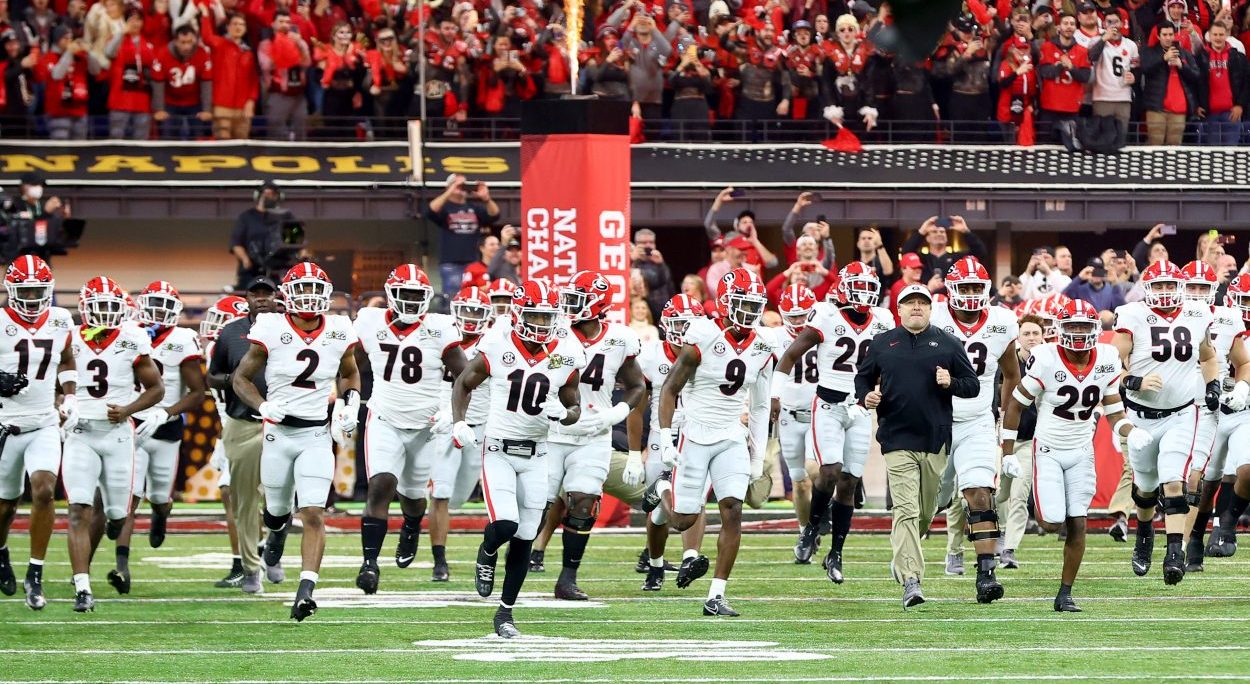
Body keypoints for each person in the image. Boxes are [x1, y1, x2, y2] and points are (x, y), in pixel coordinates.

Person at [451, 280, 586, 638]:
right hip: (498, 448)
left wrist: (565, 413)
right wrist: (459, 421)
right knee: (507, 525)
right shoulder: (497, 342)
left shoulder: (567, 352)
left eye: (547, 317)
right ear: (518, 314)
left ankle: (505, 613)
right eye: (535, 316)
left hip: (538, 453)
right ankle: (487, 549)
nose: (541, 325)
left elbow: (575, 406)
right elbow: (464, 382)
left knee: (527, 536)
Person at [232, 262, 361, 621]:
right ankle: (275, 533)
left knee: (314, 512)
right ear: (286, 296)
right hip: (278, 432)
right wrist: (262, 404)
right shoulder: (271, 327)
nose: (307, 298)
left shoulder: (338, 329)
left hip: (316, 434)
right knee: (276, 511)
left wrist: (351, 402)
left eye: (313, 290)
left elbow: (350, 373)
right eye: (300, 290)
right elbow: (240, 378)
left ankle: (305, 591)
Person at [642, 268, 774, 617]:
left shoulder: (762, 345)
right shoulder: (703, 332)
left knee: (732, 510)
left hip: (731, 435)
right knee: (682, 521)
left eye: (753, 306)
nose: (748, 313)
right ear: (726, 303)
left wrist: (757, 456)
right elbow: (670, 388)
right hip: (695, 433)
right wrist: (667, 439)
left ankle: (716, 595)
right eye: (741, 305)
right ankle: (661, 488)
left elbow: (760, 407)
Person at [1004, 299, 1150, 612]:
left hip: (1081, 449)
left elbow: (1113, 410)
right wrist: (1007, 452)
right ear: (1061, 329)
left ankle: (1065, 592)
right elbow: (1016, 404)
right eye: (1073, 326)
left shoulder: (1108, 357)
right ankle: (1040, 508)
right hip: (1048, 449)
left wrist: (1130, 430)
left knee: (1078, 522)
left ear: (1096, 329)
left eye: (1085, 326)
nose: (1080, 333)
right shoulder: (1046, 357)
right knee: (1053, 522)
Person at [855, 283, 979, 608]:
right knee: (906, 510)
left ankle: (903, 550)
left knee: (925, 512)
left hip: (935, 439)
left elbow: (973, 386)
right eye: (909, 302)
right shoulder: (882, 343)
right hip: (896, 438)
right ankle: (912, 579)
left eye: (921, 303)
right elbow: (862, 378)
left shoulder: (948, 343)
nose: (916, 308)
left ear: (930, 308)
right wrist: (865, 396)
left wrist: (950, 382)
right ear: (899, 309)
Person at [775, 263, 894, 582]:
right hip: (827, 404)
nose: (865, 294)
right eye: (858, 286)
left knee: (850, 482)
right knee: (829, 470)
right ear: (844, 287)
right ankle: (811, 528)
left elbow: (887, 365)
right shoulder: (826, 314)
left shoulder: (882, 320)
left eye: (870, 287)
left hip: (858, 408)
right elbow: (789, 355)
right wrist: (776, 394)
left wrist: (881, 392)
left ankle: (836, 552)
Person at [531, 271, 645, 601]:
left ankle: (567, 577)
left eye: (577, 299)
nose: (569, 305)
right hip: (551, 430)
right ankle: (517, 560)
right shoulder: (553, 330)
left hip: (594, 433)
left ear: (598, 304)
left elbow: (638, 385)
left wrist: (619, 412)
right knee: (537, 503)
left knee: (583, 501)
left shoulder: (620, 339)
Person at [351, 265, 465, 594]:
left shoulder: (439, 327)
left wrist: (452, 413)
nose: (413, 301)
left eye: (419, 295)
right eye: (407, 294)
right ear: (391, 295)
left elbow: (465, 375)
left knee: (414, 498)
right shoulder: (370, 322)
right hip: (384, 416)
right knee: (380, 484)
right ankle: (369, 563)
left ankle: (412, 525)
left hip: (426, 424)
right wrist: (348, 400)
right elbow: (350, 364)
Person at [1111, 260, 1219, 585]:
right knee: (1144, 488)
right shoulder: (1131, 315)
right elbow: (1113, 366)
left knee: (1174, 481)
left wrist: (1212, 384)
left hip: (1182, 414)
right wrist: (1135, 382)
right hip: (1141, 417)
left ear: (1180, 286)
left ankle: (1175, 554)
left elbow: (1208, 355)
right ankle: (1145, 531)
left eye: (1169, 285)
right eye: (1157, 285)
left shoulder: (1197, 313)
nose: (1164, 291)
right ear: (1147, 288)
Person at [64, 276, 164, 612]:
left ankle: (115, 525)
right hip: (80, 432)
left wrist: (128, 410)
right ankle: (82, 588)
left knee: (116, 515)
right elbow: (49, 383)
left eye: (111, 306)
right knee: (79, 509)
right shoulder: (69, 338)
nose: (106, 313)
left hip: (118, 434)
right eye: (99, 306)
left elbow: (156, 389)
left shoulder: (132, 338)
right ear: (84, 308)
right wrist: (63, 407)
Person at [932, 257, 1021, 603]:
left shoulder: (1002, 321)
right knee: (930, 502)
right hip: (934, 419)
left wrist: (1002, 417)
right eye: (964, 287)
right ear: (951, 290)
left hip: (976, 419)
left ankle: (986, 573)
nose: (970, 294)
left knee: (980, 493)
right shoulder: (934, 315)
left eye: (975, 287)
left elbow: (1012, 375)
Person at [0, 256, 75, 610]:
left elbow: (68, 359)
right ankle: (1, 553)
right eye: (25, 290)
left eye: (37, 290)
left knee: (44, 490)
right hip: (5, 424)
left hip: (44, 421)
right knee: (5, 504)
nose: (31, 297)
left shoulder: (60, 319)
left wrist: (71, 395)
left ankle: (35, 572)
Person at [114, 281, 203, 570]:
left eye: (165, 307)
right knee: (132, 494)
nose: (158, 313)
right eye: (153, 305)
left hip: (167, 427)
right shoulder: (128, 334)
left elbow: (198, 393)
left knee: (160, 497)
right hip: (133, 423)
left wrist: (166, 413)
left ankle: (161, 515)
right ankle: (122, 562)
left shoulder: (182, 339)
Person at [207, 276, 278, 594]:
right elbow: (212, 376)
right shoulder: (231, 332)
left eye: (267, 293)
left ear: (277, 297)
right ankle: (251, 568)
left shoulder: (290, 329)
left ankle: (273, 551)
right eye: (256, 293)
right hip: (243, 422)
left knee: (283, 495)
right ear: (247, 298)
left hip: (285, 424)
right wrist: (235, 380)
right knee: (244, 500)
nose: (261, 298)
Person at [636, 293, 710, 591]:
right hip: (661, 435)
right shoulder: (651, 354)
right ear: (667, 325)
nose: (684, 330)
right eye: (679, 324)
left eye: (689, 324)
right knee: (659, 513)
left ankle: (690, 557)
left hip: (695, 433)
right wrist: (633, 450)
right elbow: (638, 402)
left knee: (696, 500)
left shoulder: (710, 351)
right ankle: (655, 565)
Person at [428, 286, 492, 582]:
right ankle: (439, 560)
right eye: (465, 310)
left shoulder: (494, 342)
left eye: (476, 312)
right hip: (446, 421)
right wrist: (444, 413)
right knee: (440, 491)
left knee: (460, 496)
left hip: (480, 426)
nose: (469, 318)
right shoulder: (440, 335)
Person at [1181, 261, 1239, 571]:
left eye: (1204, 288)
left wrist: (1232, 387)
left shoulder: (1228, 317)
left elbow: (1239, 362)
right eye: (1192, 287)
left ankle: (1191, 541)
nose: (1197, 294)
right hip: (1174, 403)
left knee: (1206, 476)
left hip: (1214, 405)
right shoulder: (1166, 319)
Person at [763, 284, 820, 564]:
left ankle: (822, 515)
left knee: (818, 470)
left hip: (821, 413)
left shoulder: (825, 331)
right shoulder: (774, 337)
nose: (798, 322)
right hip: (788, 414)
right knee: (799, 482)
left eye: (802, 316)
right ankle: (805, 532)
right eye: (792, 316)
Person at [199, 294, 250, 587]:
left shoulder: (248, 351)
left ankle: (255, 559)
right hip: (229, 428)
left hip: (248, 427)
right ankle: (244, 561)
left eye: (222, 321)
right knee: (232, 496)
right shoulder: (216, 351)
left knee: (243, 497)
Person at [995, 313, 1045, 570]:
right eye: (1026, 333)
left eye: (1036, 333)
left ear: (1043, 335)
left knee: (1019, 493)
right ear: (1018, 336)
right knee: (999, 492)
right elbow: (997, 394)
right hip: (1004, 438)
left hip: (1031, 440)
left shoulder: (1050, 361)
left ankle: (1010, 548)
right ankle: (1000, 532)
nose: (1031, 337)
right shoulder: (1006, 358)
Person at [1206, 274, 1250, 555]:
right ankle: (1202, 535)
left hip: (1246, 409)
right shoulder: (1216, 326)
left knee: (1242, 472)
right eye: (1245, 300)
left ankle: (1227, 524)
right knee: (1216, 476)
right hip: (1214, 409)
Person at [427, 175, 500, 296]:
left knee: (476, 296)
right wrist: (451, 190)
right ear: (448, 187)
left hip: (473, 262)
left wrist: (486, 199)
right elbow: (430, 211)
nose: (460, 187)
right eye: (456, 184)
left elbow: (495, 215)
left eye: (463, 185)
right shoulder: (445, 208)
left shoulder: (474, 208)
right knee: (453, 297)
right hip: (451, 263)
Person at [230, 180, 300, 290]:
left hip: (279, 270)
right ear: (258, 196)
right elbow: (236, 243)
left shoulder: (287, 216)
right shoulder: (246, 217)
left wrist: (301, 255)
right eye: (266, 194)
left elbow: (296, 241)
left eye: (272, 194)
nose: (269, 197)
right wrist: (245, 259)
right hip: (252, 270)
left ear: (278, 197)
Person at [152, 24, 214, 140]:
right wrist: (159, 109)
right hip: (170, 102)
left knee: (198, 135)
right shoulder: (162, 54)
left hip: (194, 103)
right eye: (183, 42)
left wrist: (207, 110)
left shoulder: (203, 54)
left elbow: (206, 83)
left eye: (190, 42)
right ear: (175, 41)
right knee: (168, 136)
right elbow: (158, 83)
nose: (186, 46)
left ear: (195, 40)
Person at [1141, 23, 1199, 146]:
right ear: (1158, 36)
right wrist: (1163, 58)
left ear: (1175, 35)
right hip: (1157, 107)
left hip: (1179, 109)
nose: (1168, 38)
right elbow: (1145, 69)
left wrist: (1182, 66)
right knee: (1155, 146)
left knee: (1174, 149)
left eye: (1170, 34)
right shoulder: (1149, 51)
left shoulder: (1184, 53)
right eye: (1165, 34)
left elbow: (1196, 76)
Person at [258, 9, 311, 140]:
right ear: (273, 24)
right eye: (281, 21)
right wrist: (284, 51)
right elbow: (265, 66)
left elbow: (307, 63)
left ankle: (301, 157)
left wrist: (298, 44)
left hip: (298, 92)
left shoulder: (299, 42)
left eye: (288, 22)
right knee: (276, 131)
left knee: (301, 129)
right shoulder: (266, 44)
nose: (285, 25)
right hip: (278, 92)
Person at [900, 216, 989, 284]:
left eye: (942, 232)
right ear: (927, 238)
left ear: (947, 238)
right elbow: (906, 253)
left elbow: (980, 253)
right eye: (934, 232)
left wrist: (965, 231)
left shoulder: (957, 258)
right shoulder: (921, 259)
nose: (939, 234)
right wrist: (922, 231)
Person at [632, 229, 676, 321]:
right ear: (636, 244)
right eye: (644, 243)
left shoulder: (658, 262)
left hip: (659, 312)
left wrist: (661, 264)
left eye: (651, 242)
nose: (648, 245)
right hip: (637, 312)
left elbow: (665, 283)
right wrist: (631, 260)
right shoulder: (629, 260)